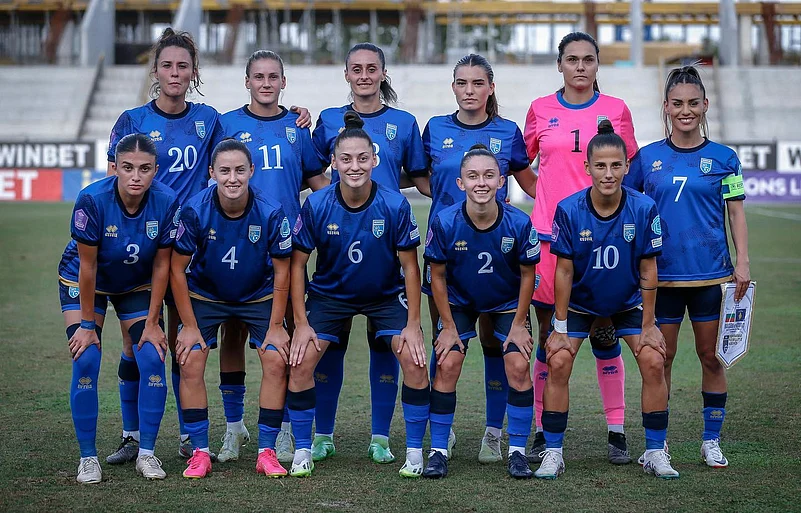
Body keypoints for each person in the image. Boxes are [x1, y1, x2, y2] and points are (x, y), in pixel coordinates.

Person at [105, 28, 312, 463]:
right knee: (136, 341)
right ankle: (131, 435)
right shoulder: (131, 120)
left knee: (183, 342)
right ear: (156, 71)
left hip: (194, 249)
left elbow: (252, 127)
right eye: (167, 65)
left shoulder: (210, 119)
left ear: (193, 71)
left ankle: (187, 435)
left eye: (183, 65)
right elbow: (116, 182)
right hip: (142, 244)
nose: (175, 73)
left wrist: (294, 115)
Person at [287, 112, 429, 478]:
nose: (354, 166)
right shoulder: (317, 205)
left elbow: (411, 268)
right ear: (332, 162)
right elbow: (296, 265)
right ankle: (306, 447)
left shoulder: (395, 205)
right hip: (330, 294)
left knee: (414, 360)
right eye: (346, 159)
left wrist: (414, 325)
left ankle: (412, 451)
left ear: (375, 160)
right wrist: (300, 323)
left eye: (362, 158)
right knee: (301, 361)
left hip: (384, 295)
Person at [534, 121, 677, 480]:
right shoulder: (569, 209)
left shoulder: (643, 208)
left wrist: (649, 326)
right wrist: (560, 327)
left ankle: (655, 451)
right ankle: (553, 452)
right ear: (587, 167)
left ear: (628, 166)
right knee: (559, 360)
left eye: (616, 165)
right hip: (581, 306)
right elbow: (563, 272)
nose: (608, 173)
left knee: (654, 360)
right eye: (600, 165)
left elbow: (649, 269)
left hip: (628, 305)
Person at [624, 65, 749, 468]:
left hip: (712, 275)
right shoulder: (647, 159)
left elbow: (736, 213)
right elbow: (630, 209)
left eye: (693, 103)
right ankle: (656, 446)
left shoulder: (724, 158)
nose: (685, 110)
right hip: (661, 279)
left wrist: (742, 261)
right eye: (677, 103)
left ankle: (711, 439)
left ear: (705, 105)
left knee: (711, 357)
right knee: (661, 359)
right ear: (665, 107)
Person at [523, 32, 639, 464]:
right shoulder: (539, 109)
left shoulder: (616, 110)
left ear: (596, 65)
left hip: (605, 241)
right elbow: (522, 161)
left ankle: (616, 430)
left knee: (605, 333)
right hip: (552, 241)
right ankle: (541, 429)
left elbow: (630, 166)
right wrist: (547, 198)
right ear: (560, 65)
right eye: (571, 59)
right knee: (551, 339)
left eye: (588, 60)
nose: (579, 67)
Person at [421, 53, 537, 463]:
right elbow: (419, 177)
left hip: (500, 257)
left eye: (477, 83)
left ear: (490, 87)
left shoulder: (508, 131)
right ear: (453, 87)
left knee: (498, 348)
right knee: (447, 350)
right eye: (462, 83)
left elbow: (534, 185)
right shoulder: (434, 128)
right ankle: (442, 439)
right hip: (449, 257)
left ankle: (494, 434)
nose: (469, 91)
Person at [216, 50, 328, 464]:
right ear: (247, 81)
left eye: (273, 77)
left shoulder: (298, 128)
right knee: (231, 334)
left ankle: (280, 429)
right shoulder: (226, 123)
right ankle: (233, 428)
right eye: (258, 76)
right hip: (232, 247)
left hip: (284, 249)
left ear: (284, 81)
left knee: (278, 340)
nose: (266, 83)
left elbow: (319, 183)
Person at [169, 139, 293, 479]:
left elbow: (283, 269)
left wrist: (277, 325)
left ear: (252, 171)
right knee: (190, 356)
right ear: (212, 173)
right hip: (207, 295)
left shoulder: (270, 211)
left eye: (240, 170)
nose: (232, 178)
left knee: (274, 355)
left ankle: (266, 451)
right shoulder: (195, 210)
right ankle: (200, 452)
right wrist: (190, 326)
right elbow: (176, 269)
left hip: (258, 294)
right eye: (224, 171)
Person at [58, 133, 178, 483]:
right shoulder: (92, 200)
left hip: (136, 282)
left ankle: (147, 453)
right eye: (127, 168)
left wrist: (154, 321)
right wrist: (85, 325)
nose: (135, 176)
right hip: (85, 280)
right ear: (115, 168)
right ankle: (88, 458)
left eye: (144, 169)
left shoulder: (167, 201)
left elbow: (161, 266)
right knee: (87, 357)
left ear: (156, 170)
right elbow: (88, 267)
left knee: (152, 355)